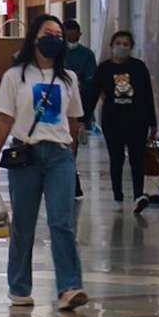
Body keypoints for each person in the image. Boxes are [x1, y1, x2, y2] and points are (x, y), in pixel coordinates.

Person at [0, 14, 88, 312]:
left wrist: (71, 158)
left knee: (62, 222)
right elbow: (5, 120)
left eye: (58, 34)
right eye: (47, 33)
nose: (53, 38)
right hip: (26, 155)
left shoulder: (69, 78)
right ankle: (19, 287)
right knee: (24, 225)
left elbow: (74, 121)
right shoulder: (15, 76)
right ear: (34, 38)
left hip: (59, 156)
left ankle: (70, 287)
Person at [94, 31, 158, 214]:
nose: (122, 47)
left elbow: (147, 96)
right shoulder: (104, 69)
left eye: (126, 44)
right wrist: (84, 118)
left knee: (137, 158)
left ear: (131, 47)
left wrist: (153, 123)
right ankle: (118, 195)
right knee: (116, 158)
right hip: (112, 120)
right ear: (112, 46)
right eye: (118, 43)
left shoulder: (139, 67)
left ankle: (139, 195)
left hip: (137, 120)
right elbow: (93, 93)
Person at [63, 20, 98, 198]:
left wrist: (86, 116)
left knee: (72, 147)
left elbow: (91, 83)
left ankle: (71, 182)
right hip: (57, 108)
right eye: (67, 32)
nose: (71, 36)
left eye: (74, 32)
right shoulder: (57, 53)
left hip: (77, 108)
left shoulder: (86, 55)